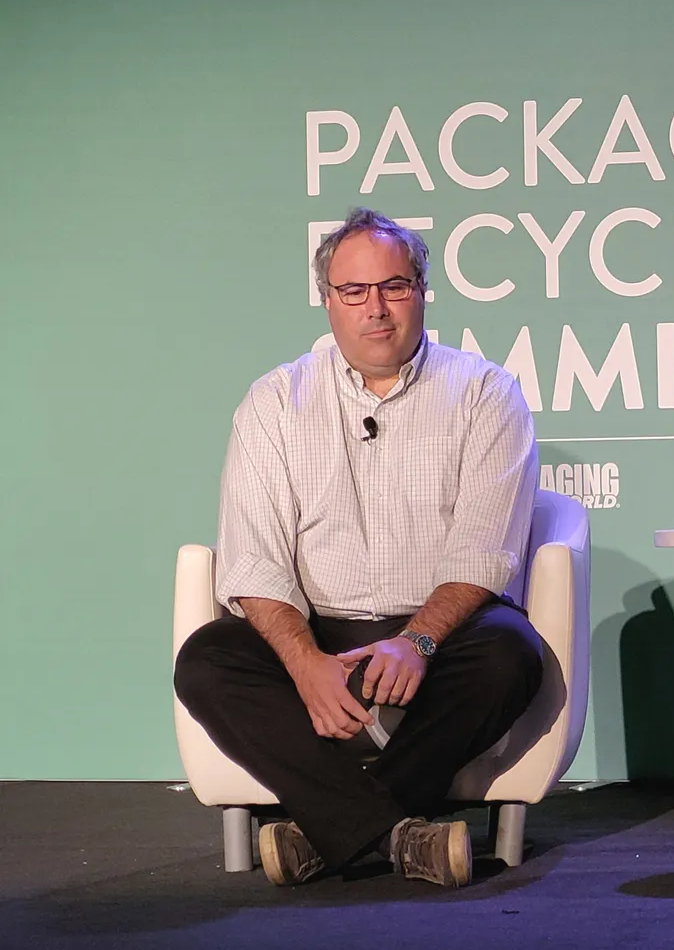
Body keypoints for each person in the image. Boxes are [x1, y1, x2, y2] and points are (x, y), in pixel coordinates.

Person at [174, 208, 543, 888]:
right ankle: (399, 836)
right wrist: (306, 662)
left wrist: (419, 641)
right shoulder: (275, 402)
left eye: (394, 287)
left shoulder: (487, 393)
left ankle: (324, 833)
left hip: (439, 635)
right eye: (354, 292)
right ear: (328, 300)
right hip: (320, 632)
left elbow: (483, 549)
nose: (376, 309)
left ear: (422, 290)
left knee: (510, 654)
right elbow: (253, 560)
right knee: (206, 660)